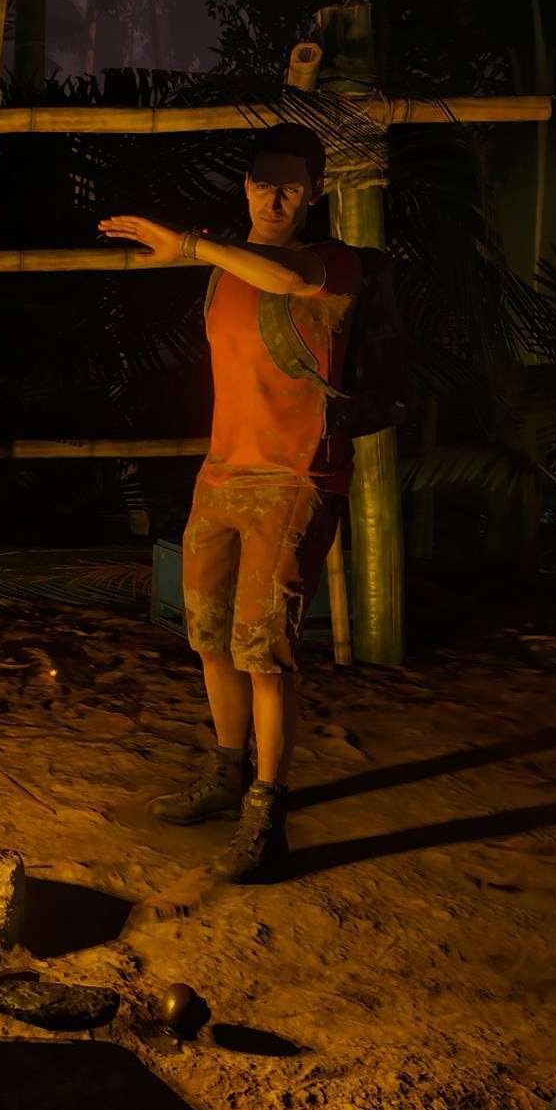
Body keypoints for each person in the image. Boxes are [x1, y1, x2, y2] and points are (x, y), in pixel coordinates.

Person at [99, 121, 360, 882]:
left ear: (314, 194)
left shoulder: (331, 265)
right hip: (222, 475)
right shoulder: (224, 266)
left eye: (290, 188)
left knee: (263, 647)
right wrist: (199, 251)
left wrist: (188, 245)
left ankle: (267, 809)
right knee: (209, 635)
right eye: (263, 183)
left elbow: (286, 281)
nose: (274, 199)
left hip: (293, 477)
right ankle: (226, 770)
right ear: (246, 186)